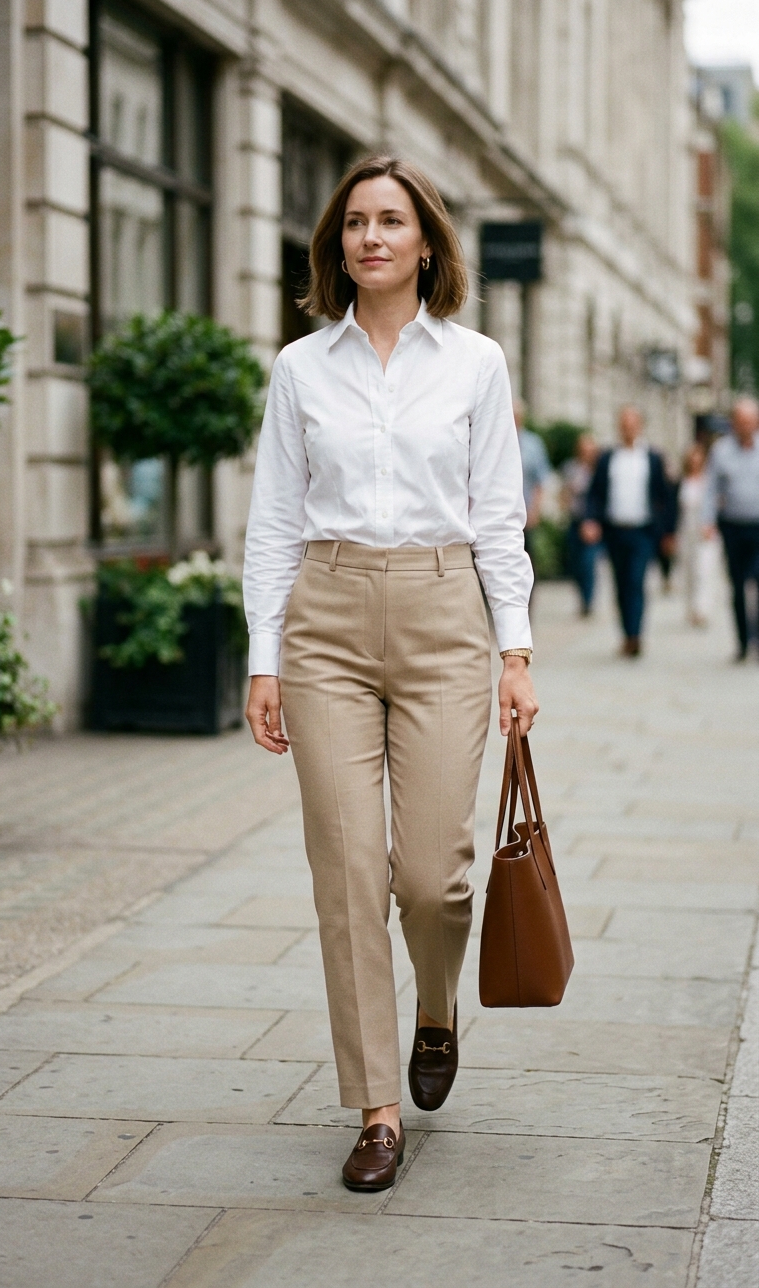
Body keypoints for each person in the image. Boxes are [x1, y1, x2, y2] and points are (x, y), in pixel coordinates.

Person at [243, 155, 537, 1192]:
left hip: (444, 615)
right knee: (348, 872)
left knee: (429, 874)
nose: (371, 237)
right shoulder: (299, 368)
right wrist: (263, 658)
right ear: (339, 244)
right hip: (322, 618)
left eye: (391, 221)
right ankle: (375, 1106)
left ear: (426, 243)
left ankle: (436, 1004)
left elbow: (499, 514)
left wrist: (515, 650)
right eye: (356, 222)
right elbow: (274, 518)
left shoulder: (475, 363)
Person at [582, 406, 675, 656]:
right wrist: (590, 521)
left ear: (640, 426)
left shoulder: (653, 458)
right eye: (624, 424)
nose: (628, 428)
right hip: (615, 530)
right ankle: (626, 633)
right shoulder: (607, 458)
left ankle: (635, 636)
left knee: (636, 581)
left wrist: (668, 532)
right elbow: (595, 495)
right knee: (621, 584)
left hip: (643, 531)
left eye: (633, 424)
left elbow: (665, 497)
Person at [703, 396, 759, 660]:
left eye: (750, 420)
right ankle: (742, 641)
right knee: (737, 586)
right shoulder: (721, 450)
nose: (745, 425)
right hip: (733, 526)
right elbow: (711, 489)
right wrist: (708, 521)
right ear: (733, 423)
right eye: (740, 421)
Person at [677, 442, 719, 627]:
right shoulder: (682, 482)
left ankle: (702, 609)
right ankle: (690, 607)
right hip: (686, 530)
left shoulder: (710, 481)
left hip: (705, 530)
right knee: (688, 571)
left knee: (704, 570)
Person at [561, 432, 600, 615]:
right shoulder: (570, 468)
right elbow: (563, 493)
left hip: (592, 523)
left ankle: (588, 600)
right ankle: (581, 595)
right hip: (575, 520)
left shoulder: (598, 469)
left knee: (588, 563)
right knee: (575, 563)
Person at [513, 400, 551, 573]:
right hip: (500, 511)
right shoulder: (494, 442)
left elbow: (540, 481)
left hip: (525, 511)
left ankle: (527, 598)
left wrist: (535, 510)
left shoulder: (533, 444)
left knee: (527, 556)